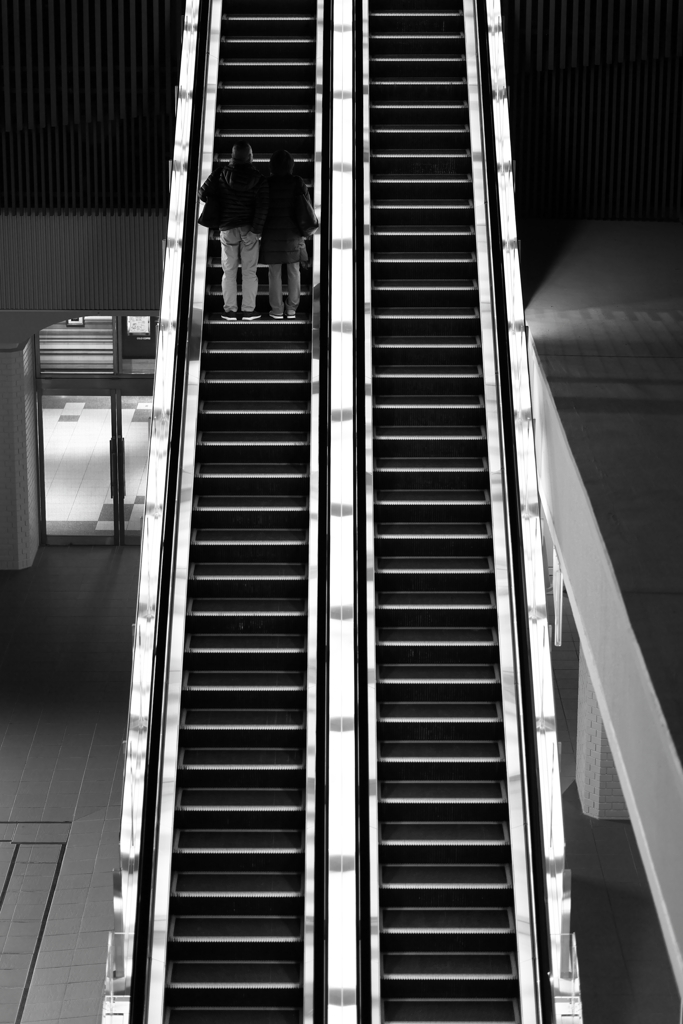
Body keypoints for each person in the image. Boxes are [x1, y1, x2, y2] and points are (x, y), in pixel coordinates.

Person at [198, 140, 268, 321]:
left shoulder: (220, 173)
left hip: (227, 228)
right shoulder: (259, 178)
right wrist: (256, 230)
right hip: (249, 229)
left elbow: (202, 194)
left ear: (232, 156)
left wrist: (219, 202)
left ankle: (229, 310)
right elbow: (263, 206)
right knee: (249, 271)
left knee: (228, 271)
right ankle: (248, 311)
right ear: (250, 157)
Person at [259, 150, 310, 320]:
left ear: (271, 166)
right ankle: (292, 308)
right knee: (294, 270)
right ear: (291, 165)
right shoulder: (297, 182)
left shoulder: (266, 183)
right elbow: (306, 207)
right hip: (293, 234)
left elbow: (261, 208)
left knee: (274, 272)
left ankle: (277, 309)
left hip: (271, 234)